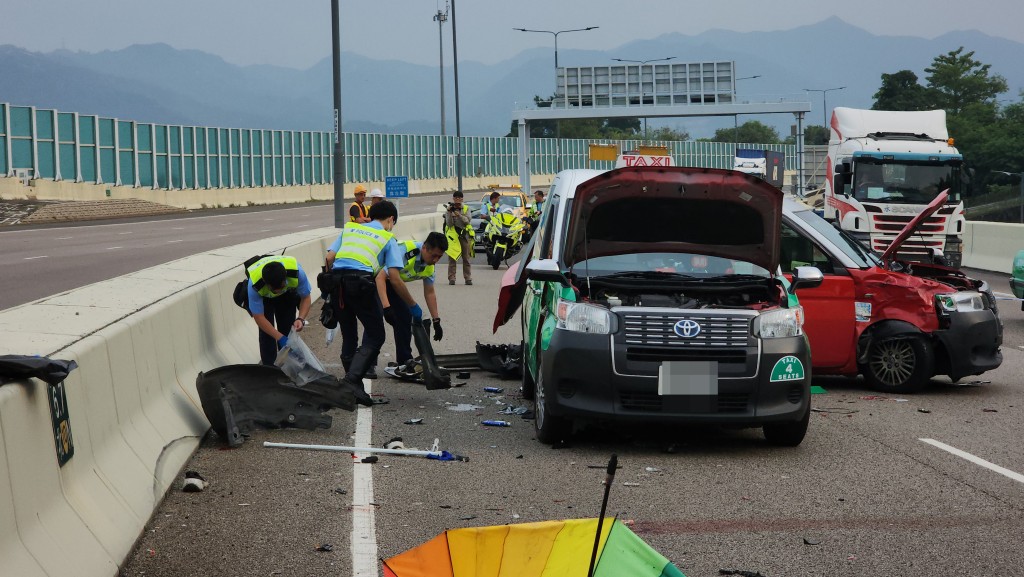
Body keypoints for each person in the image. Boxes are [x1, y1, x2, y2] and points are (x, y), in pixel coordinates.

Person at [325, 200, 421, 405]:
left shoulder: (350, 229)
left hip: (337, 284)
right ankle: (351, 381)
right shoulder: (387, 237)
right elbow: (394, 277)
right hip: (359, 283)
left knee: (349, 335)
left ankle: (355, 389)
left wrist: (329, 295)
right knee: (376, 335)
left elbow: (330, 258)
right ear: (390, 220)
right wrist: (411, 305)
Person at [379, 232, 448, 372]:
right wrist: (386, 307)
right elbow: (380, 278)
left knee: (404, 316)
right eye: (433, 255)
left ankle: (404, 361)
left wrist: (436, 321)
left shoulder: (429, 265)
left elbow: (429, 292)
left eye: (439, 257)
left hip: (392, 283)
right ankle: (369, 365)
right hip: (373, 278)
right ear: (424, 248)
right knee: (375, 321)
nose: (435, 260)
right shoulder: (404, 252)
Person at [244, 256, 312, 366]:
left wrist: (301, 318)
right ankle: (269, 369)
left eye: (281, 287)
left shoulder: (297, 273)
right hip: (265, 298)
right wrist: (279, 337)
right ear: (266, 283)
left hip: (287, 295)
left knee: (287, 328)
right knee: (267, 334)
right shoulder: (254, 285)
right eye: (274, 290)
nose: (278, 292)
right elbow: (259, 317)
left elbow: (306, 298)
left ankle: (288, 366)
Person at [444, 191, 473, 286]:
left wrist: (458, 215)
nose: (457, 199)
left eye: (459, 198)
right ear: (453, 198)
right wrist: (449, 213)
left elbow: (467, 221)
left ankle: (468, 278)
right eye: (455, 197)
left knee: (466, 258)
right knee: (452, 258)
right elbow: (449, 224)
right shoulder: (449, 209)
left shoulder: (466, 208)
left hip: (463, 235)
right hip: (453, 237)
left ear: (462, 199)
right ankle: (451, 278)